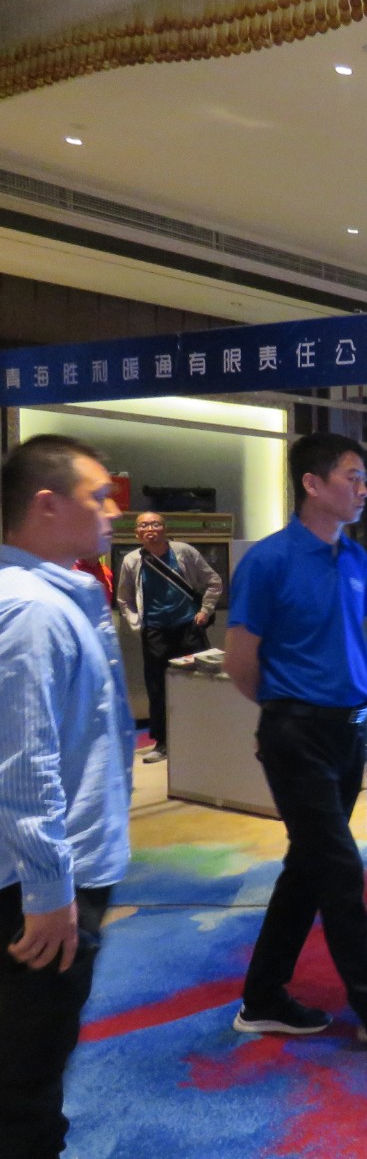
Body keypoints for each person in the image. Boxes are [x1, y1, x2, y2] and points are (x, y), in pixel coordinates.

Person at [222, 433, 367, 1061]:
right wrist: (285, 713)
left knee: (309, 867)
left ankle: (262, 997)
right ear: (312, 484)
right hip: (296, 733)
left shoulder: (355, 558)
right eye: (352, 477)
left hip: (347, 731)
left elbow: (353, 640)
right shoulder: (268, 561)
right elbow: (240, 662)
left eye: (366, 478)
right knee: (339, 868)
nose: (365, 489)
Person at [0, 435, 135, 1158]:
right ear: (47, 506)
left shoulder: (59, 595)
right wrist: (50, 892)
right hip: (46, 886)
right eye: (99, 497)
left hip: (58, 872)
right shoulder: (31, 610)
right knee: (29, 1072)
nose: (115, 511)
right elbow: (26, 762)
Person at [116, 511, 223, 763]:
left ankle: (203, 737)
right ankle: (163, 743)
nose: (150, 529)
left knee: (198, 683)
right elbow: (124, 598)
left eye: (155, 524)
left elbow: (214, 581)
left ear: (164, 528)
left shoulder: (184, 552)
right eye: (144, 525)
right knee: (158, 688)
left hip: (188, 628)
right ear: (137, 532)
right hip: (155, 632)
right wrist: (138, 625)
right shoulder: (132, 560)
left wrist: (205, 611)